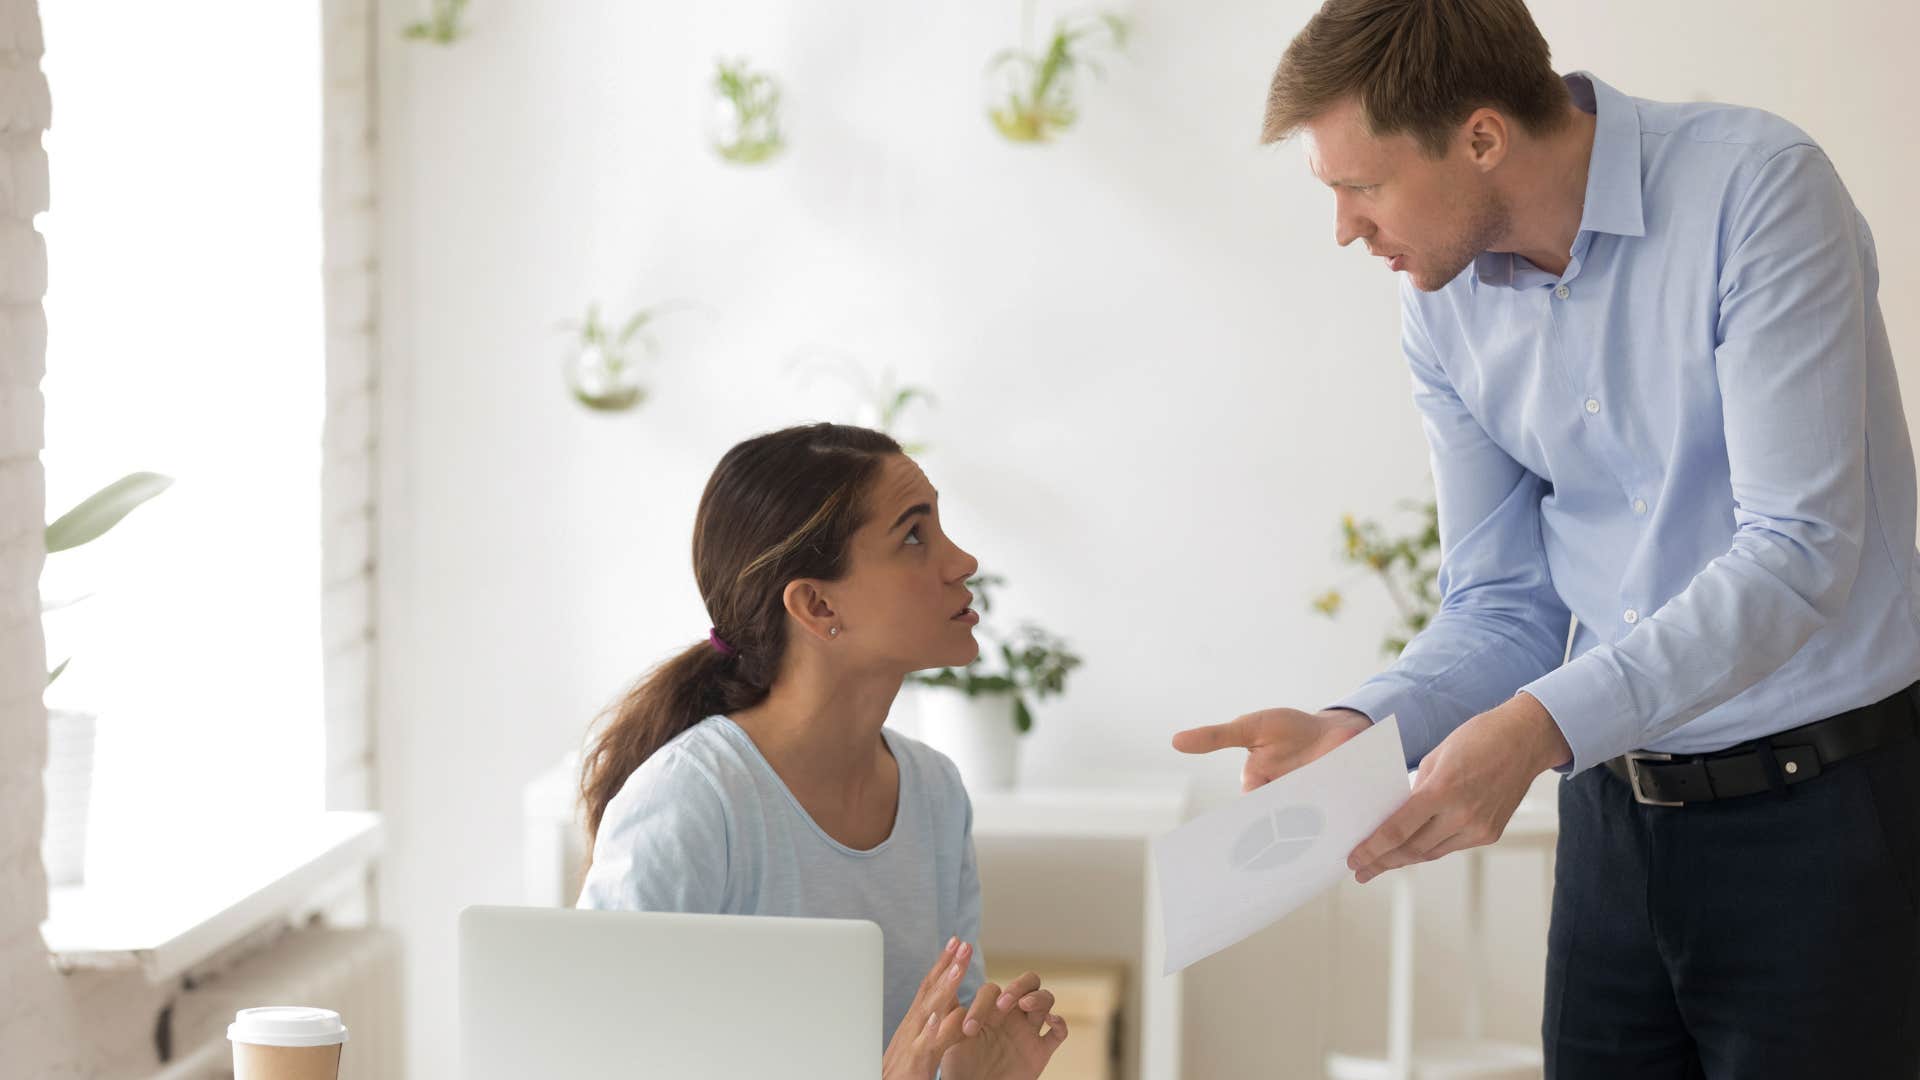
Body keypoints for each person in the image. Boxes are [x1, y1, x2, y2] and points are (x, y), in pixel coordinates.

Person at [1174, 1, 1920, 1075]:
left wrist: (1537, 728)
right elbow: (1503, 603)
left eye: (1361, 185)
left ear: (1482, 136)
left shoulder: (1757, 189)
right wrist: (1364, 727)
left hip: (1825, 822)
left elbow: (1798, 552)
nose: (1344, 228)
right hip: (1614, 825)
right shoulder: (1441, 302)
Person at [577, 423, 1069, 1080]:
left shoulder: (935, 791)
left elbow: (942, 1051)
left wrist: (978, 1075)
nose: (962, 562)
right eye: (914, 536)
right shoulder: (691, 800)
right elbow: (594, 1059)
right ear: (816, 604)